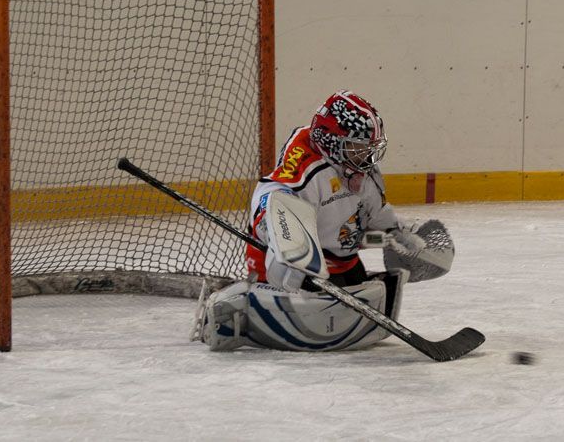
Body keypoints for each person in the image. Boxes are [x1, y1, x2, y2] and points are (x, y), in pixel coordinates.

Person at [193, 90, 455, 352]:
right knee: (300, 306)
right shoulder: (307, 169)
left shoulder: (361, 167)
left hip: (339, 258)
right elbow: (270, 200)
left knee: (359, 304)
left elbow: (374, 212)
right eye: (358, 147)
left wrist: (395, 232)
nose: (367, 155)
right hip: (287, 264)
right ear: (331, 140)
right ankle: (234, 305)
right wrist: (291, 247)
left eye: (370, 148)